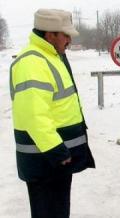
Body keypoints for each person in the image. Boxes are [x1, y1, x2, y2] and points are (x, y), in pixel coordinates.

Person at [9, 9, 95, 218]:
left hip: (53, 161)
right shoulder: (32, 62)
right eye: (65, 35)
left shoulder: (50, 56)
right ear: (50, 35)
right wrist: (58, 152)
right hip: (46, 161)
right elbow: (34, 115)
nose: (69, 40)